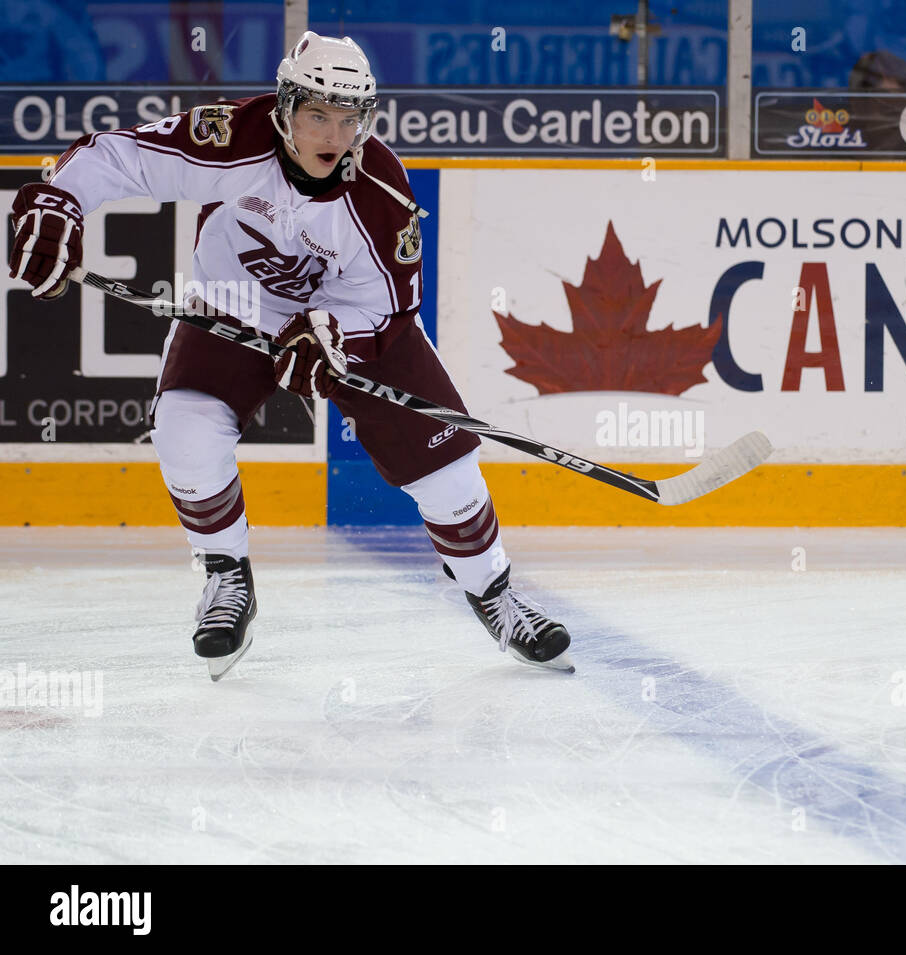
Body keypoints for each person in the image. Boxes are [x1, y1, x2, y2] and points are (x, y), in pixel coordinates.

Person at [8, 31, 574, 679]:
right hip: (233, 303)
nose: (333, 134)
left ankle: (495, 596)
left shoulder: (383, 192)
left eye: (349, 117)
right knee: (183, 429)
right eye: (316, 114)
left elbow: (391, 308)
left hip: (354, 321)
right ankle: (226, 578)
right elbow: (117, 157)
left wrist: (333, 334)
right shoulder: (230, 139)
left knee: (449, 474)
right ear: (284, 107)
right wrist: (59, 203)